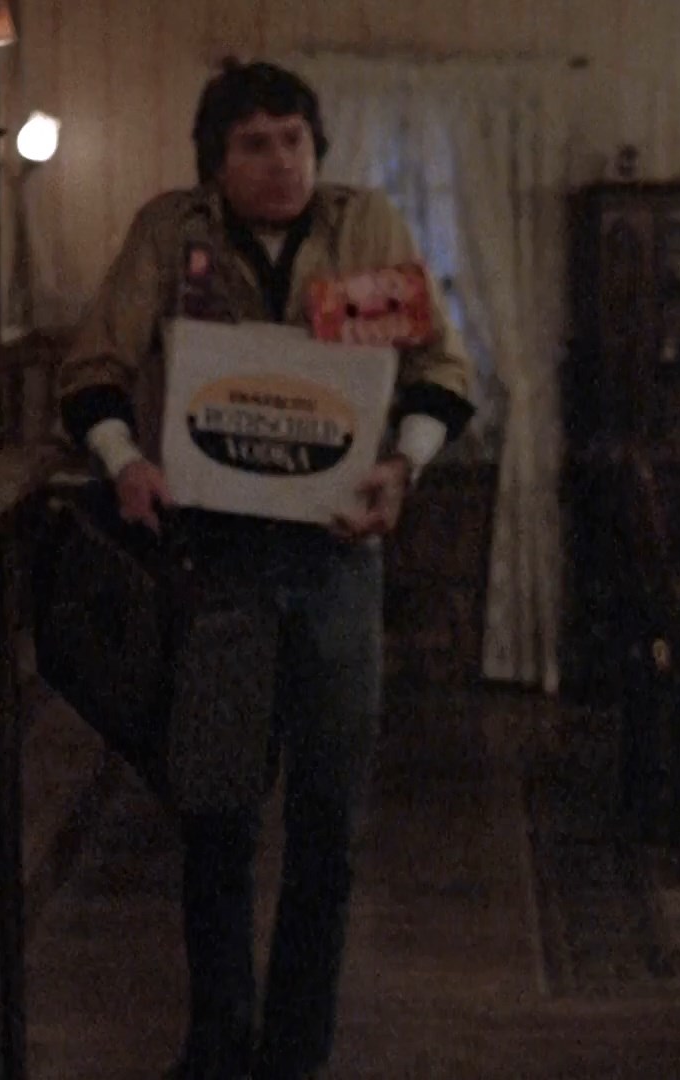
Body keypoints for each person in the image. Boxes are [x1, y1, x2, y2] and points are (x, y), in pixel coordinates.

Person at [54, 60, 475, 1080]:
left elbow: (443, 369)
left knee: (328, 828)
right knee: (216, 816)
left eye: (294, 139)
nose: (280, 160)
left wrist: (403, 466)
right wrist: (125, 462)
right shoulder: (170, 231)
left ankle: (295, 1055)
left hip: (336, 559)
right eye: (254, 143)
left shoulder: (366, 225)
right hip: (218, 569)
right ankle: (216, 1047)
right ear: (216, 160)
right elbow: (93, 365)